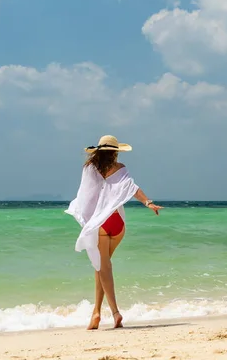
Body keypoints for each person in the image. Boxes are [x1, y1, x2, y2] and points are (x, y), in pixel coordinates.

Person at [65, 135, 163, 329]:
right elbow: (133, 188)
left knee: (103, 267)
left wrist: (84, 217)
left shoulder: (89, 169)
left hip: (100, 223)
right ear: (115, 152)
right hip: (117, 223)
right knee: (101, 266)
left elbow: (85, 196)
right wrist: (148, 202)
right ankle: (96, 313)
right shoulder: (120, 169)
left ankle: (115, 313)